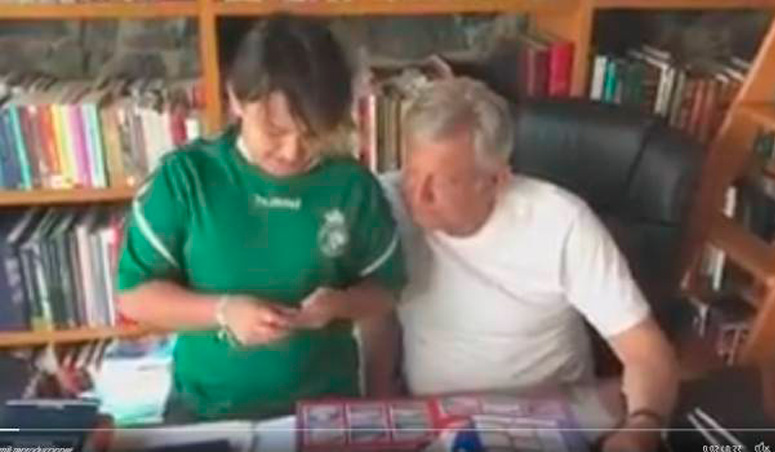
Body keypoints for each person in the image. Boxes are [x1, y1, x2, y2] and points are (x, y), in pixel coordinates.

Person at [116, 16, 405, 421]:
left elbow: (386, 290)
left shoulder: (352, 186)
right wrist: (222, 311)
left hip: (324, 410)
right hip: (206, 408)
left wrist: (339, 304)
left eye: (312, 134)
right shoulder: (186, 178)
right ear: (236, 98)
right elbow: (135, 296)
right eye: (274, 131)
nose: (292, 152)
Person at [380, 77, 679, 452]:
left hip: (546, 426)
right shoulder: (383, 207)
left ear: (495, 181)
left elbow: (645, 351)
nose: (417, 195)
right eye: (411, 172)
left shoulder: (559, 222)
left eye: (441, 182)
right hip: (431, 428)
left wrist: (641, 428)